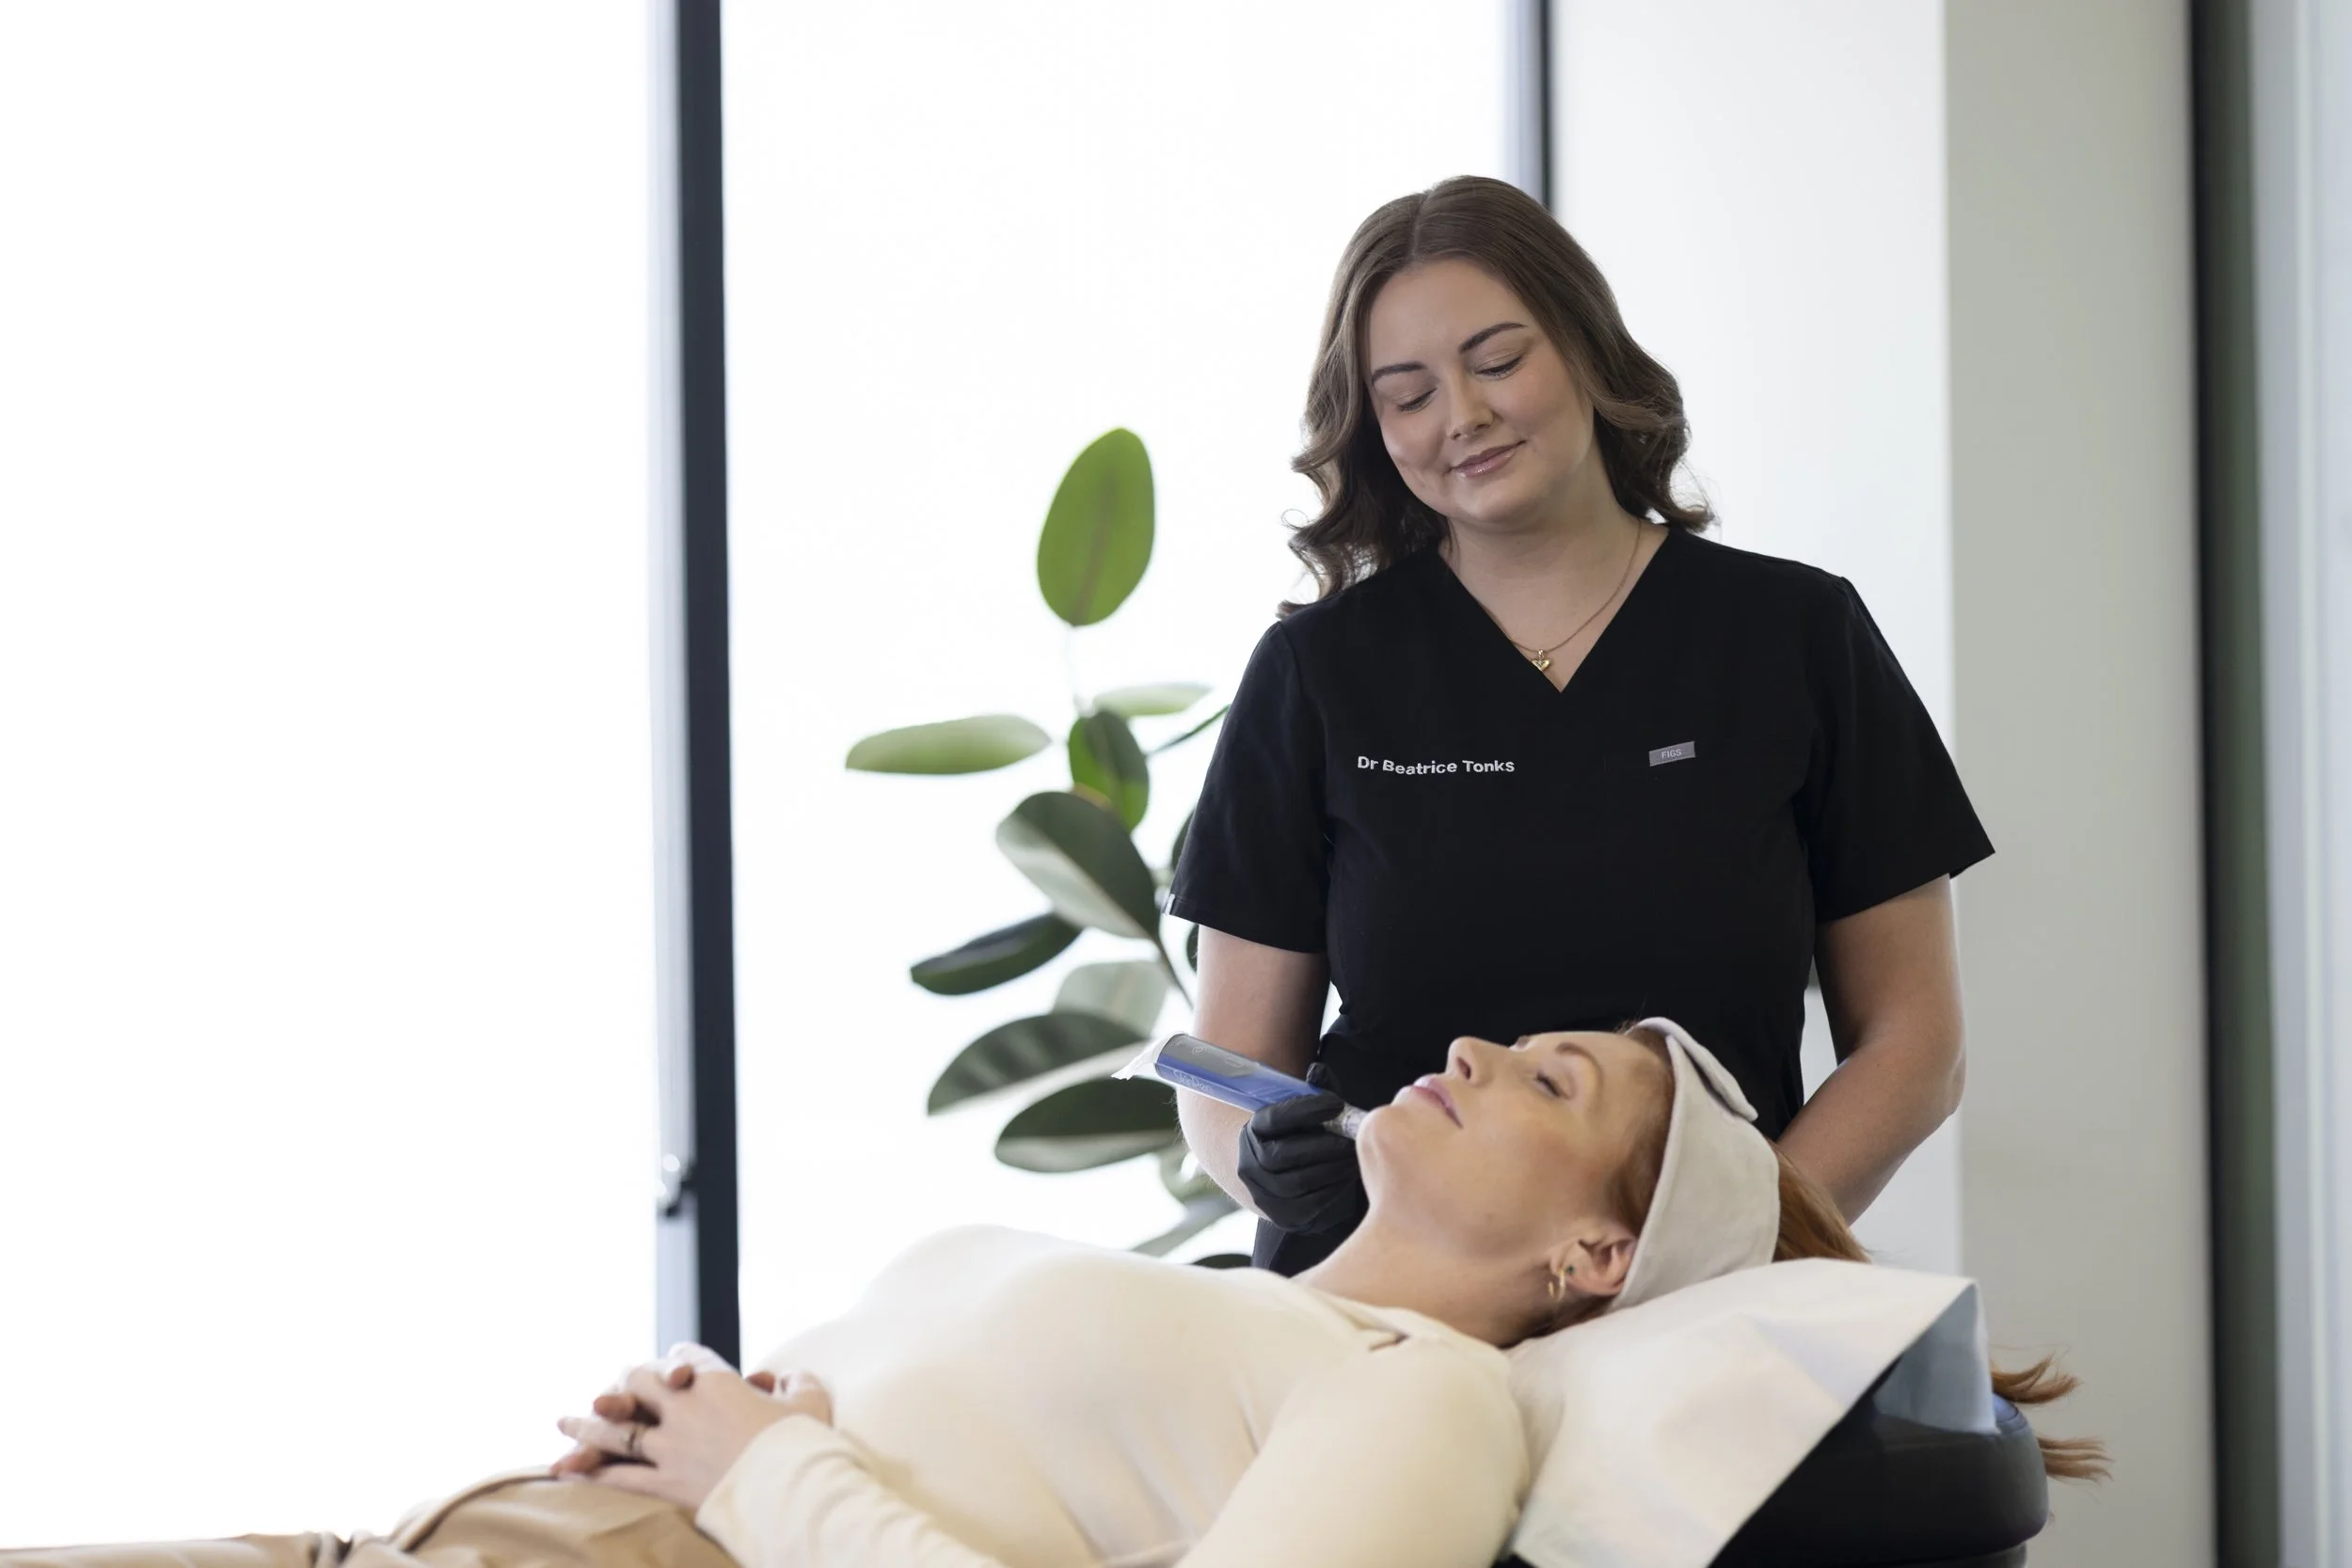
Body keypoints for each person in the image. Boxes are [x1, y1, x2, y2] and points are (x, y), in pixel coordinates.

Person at [0, 1022, 2100, 1568]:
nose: (1472, 1045)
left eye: (1552, 1081)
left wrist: (762, 1473)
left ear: (1592, 1260)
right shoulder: (1232, 1300)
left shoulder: (1424, 1396)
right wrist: (708, 1429)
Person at [1167, 174, 1994, 1274]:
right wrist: (1259, 1161)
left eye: (1497, 360)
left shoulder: (1792, 635)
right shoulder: (1316, 674)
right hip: (1389, 1296)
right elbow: (1226, 1077)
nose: (1462, 415)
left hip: (1712, 1299)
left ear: (1586, 346)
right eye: (1407, 394)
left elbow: (1914, 1045)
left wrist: (1716, 1246)